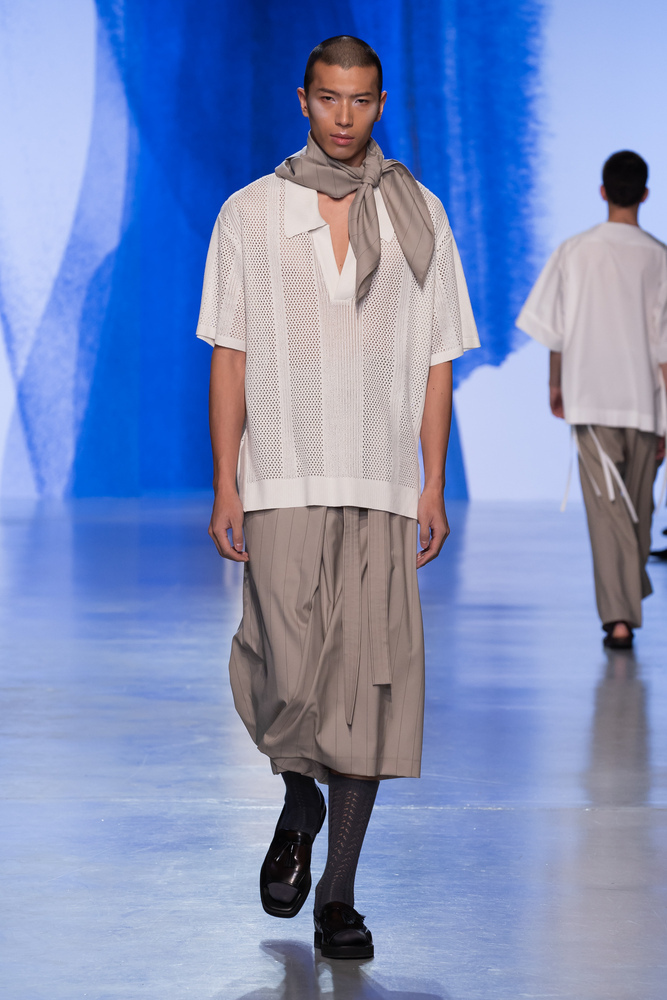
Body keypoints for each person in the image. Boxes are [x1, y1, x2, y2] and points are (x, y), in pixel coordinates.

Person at [196, 35, 479, 958]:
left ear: (380, 103)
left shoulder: (419, 212)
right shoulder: (250, 212)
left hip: (383, 481)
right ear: (303, 99)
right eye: (329, 98)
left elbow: (435, 359)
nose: (344, 116)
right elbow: (229, 352)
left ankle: (339, 898)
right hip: (280, 473)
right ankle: (298, 797)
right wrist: (225, 481)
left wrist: (433, 483)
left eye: (360, 100)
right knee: (280, 669)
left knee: (369, 693)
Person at [517, 151, 667, 649]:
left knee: (615, 513)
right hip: (645, 402)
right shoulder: (660, 257)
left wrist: (554, 383)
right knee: (635, 509)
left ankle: (623, 603)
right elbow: (664, 349)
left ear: (603, 192)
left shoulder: (574, 251)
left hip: (591, 395)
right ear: (645, 194)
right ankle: (620, 616)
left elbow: (554, 330)